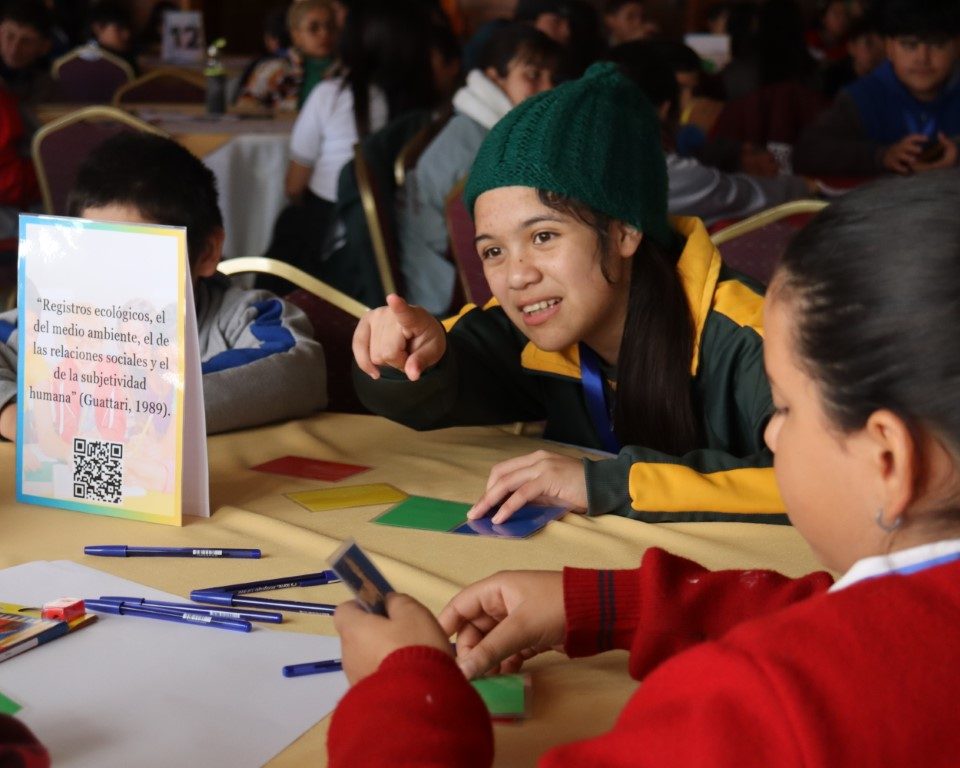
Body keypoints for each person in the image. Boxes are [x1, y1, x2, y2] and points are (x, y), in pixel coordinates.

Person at [331, 168, 960, 767]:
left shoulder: (767, 702)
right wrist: (617, 602)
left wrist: (407, 688)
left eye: (788, 408)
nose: (772, 428)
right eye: (492, 251)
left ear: (889, 460)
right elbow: (844, 610)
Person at [354, 63, 783, 524]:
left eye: (543, 237)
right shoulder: (531, 326)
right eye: (493, 250)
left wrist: (605, 485)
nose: (517, 277)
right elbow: (415, 394)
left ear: (624, 232)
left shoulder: (755, 338)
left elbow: (837, 481)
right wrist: (406, 353)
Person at [0, 132, 327, 440]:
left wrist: (140, 403)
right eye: (95, 253)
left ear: (207, 252)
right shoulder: (52, 322)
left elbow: (299, 369)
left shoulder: (246, 316)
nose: (116, 278)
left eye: (141, 255)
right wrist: (12, 412)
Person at [398, 23, 561, 315]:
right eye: (533, 75)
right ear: (494, 78)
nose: (548, 88)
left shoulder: (487, 127)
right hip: (450, 289)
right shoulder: (477, 144)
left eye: (552, 77)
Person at [273, 0, 443, 279]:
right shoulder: (435, 114)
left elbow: (294, 185)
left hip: (333, 252)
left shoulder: (333, 95)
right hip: (416, 255)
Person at [607, 42, 815, 226]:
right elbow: (736, 194)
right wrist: (802, 186)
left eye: (693, 90)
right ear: (662, 107)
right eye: (679, 90)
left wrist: (735, 154)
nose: (688, 100)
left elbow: (706, 153)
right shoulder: (659, 171)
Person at [795, 0, 960, 176]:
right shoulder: (862, 97)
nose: (922, 58)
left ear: (957, 46)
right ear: (889, 47)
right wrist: (881, 157)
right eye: (909, 45)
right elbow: (807, 153)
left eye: (937, 45)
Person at [236, 0, 338, 113]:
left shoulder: (346, 70)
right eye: (313, 28)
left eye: (330, 27)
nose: (324, 34)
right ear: (296, 35)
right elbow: (244, 108)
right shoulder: (275, 70)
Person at [0, 0, 56, 105]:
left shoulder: (47, 88)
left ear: (44, 47)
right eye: (9, 36)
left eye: (26, 41)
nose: (14, 49)